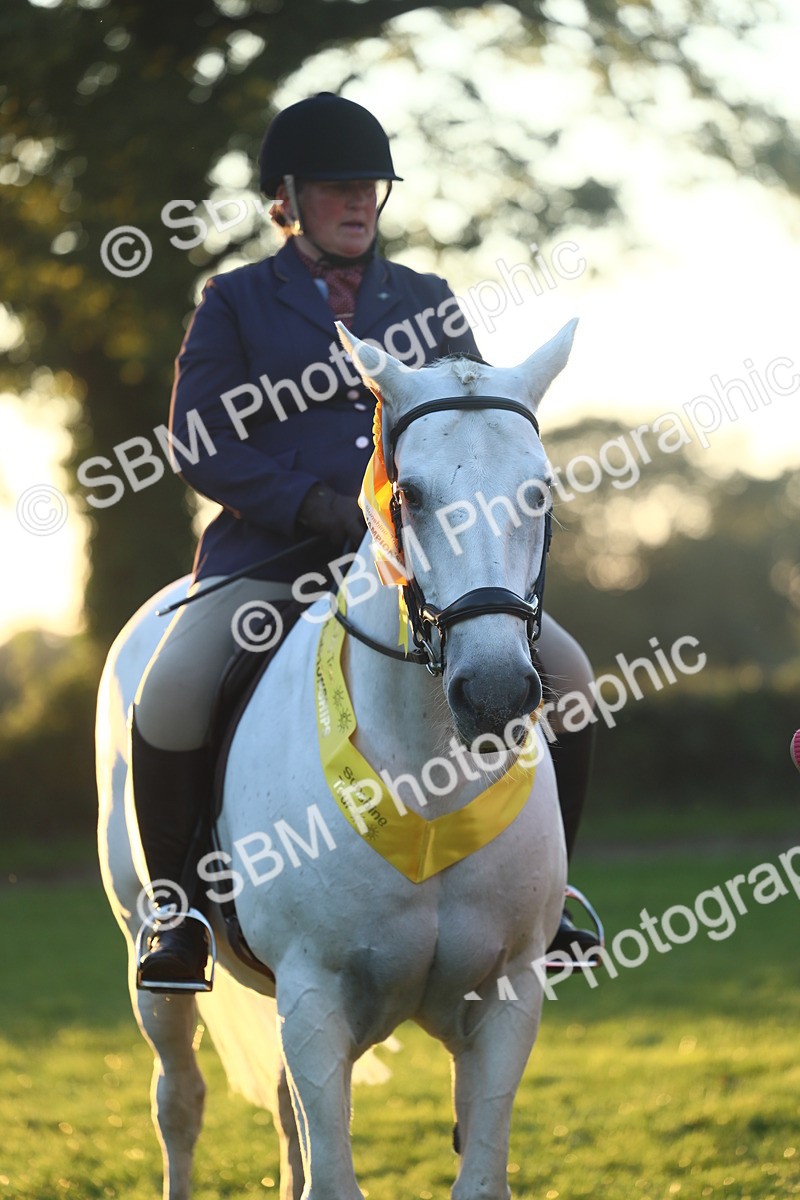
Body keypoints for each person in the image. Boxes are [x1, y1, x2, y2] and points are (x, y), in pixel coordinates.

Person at [131, 92, 599, 992]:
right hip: (271, 558)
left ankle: (554, 898)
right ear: (288, 200)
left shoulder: (425, 299)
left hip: (414, 563)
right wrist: (307, 504)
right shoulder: (234, 301)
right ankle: (178, 909)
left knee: (570, 675)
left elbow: (473, 424)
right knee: (174, 684)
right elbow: (198, 438)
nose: (357, 204)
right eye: (337, 188)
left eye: (369, 189)